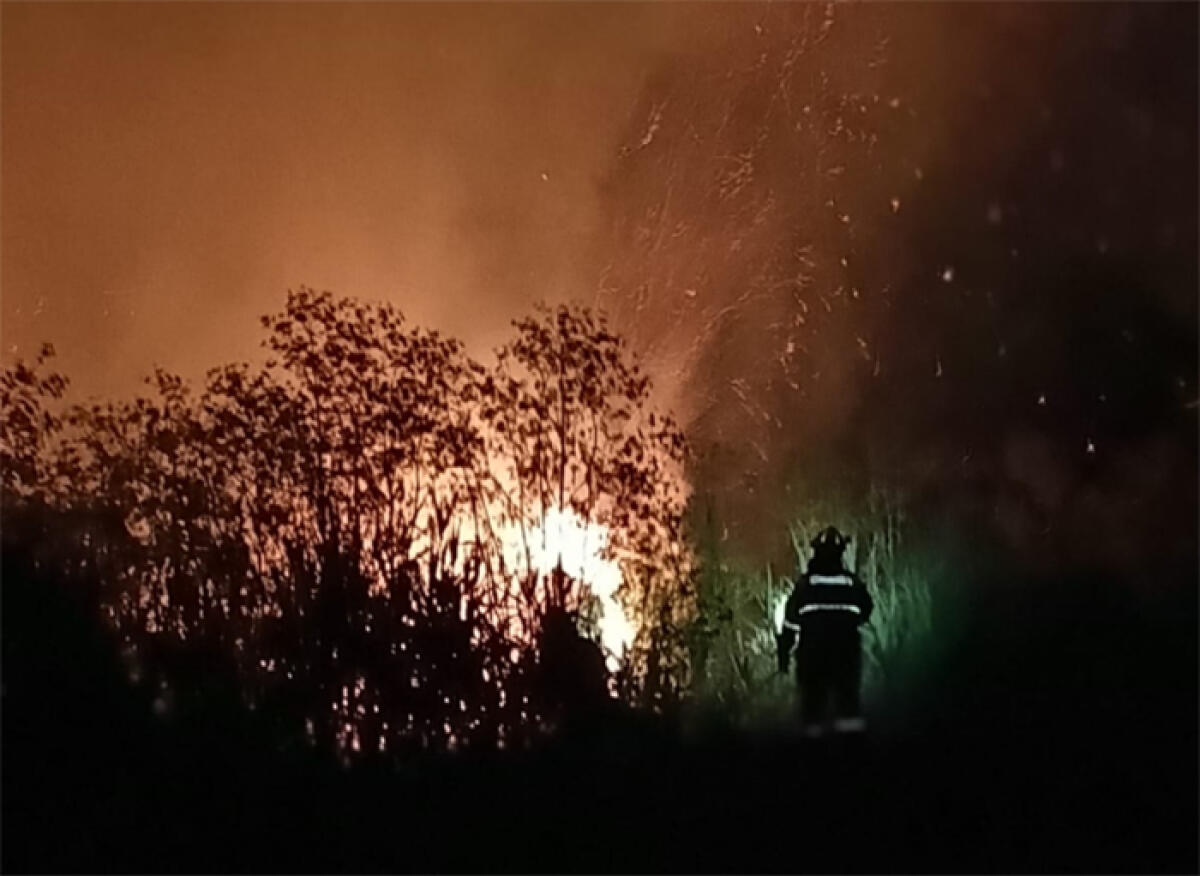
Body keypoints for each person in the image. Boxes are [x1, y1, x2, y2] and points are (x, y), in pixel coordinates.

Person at [776, 526, 873, 736]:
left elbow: (789, 624)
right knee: (848, 708)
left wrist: (783, 657)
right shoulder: (852, 583)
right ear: (841, 553)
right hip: (846, 657)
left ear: (816, 552)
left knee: (812, 711)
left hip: (813, 658)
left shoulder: (805, 586)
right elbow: (866, 610)